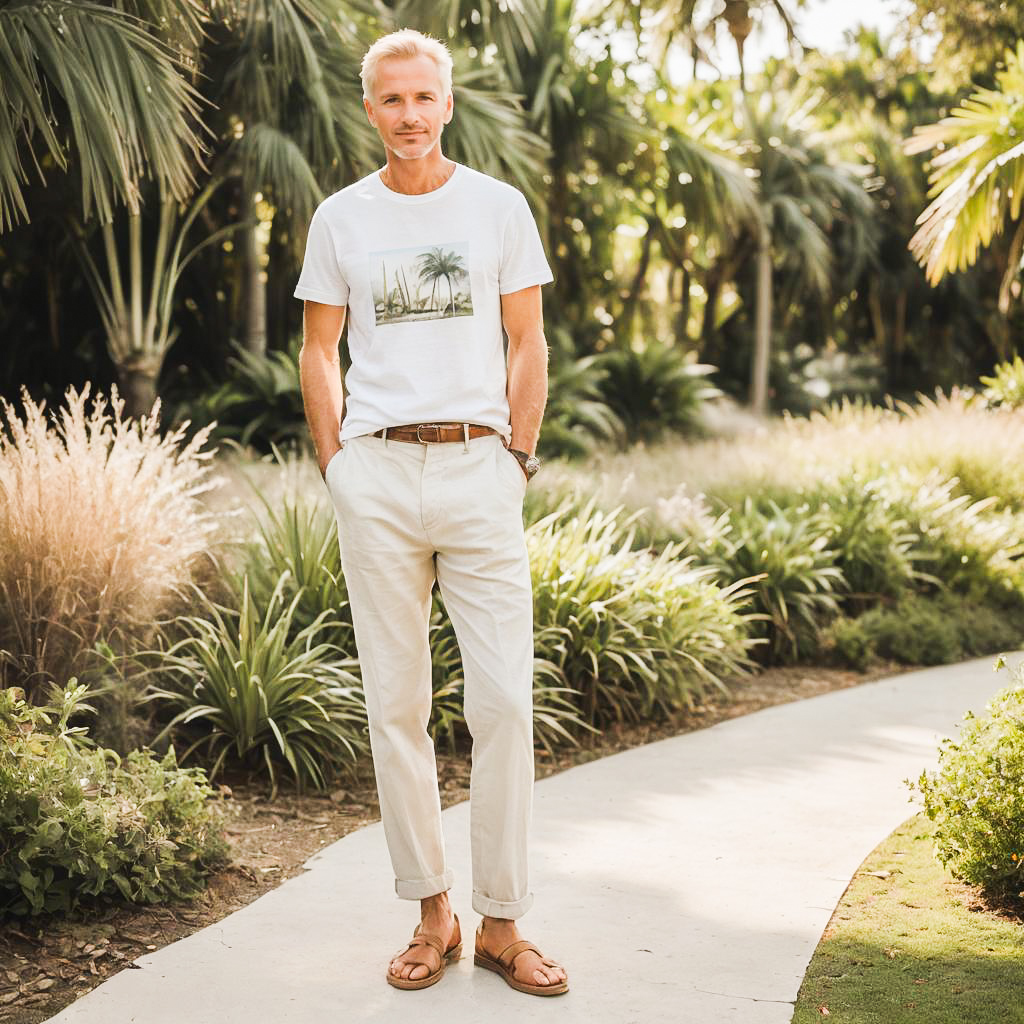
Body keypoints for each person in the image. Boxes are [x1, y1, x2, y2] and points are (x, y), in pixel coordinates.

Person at [293, 28, 569, 997]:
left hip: (477, 469)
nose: (408, 114)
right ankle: (430, 912)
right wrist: (338, 466)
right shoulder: (341, 218)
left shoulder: (496, 207)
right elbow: (319, 348)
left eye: (423, 97)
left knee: (503, 703)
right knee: (395, 709)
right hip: (377, 475)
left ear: (446, 103)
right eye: (390, 99)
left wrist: (516, 455)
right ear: (368, 109)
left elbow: (527, 338)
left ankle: (500, 922)